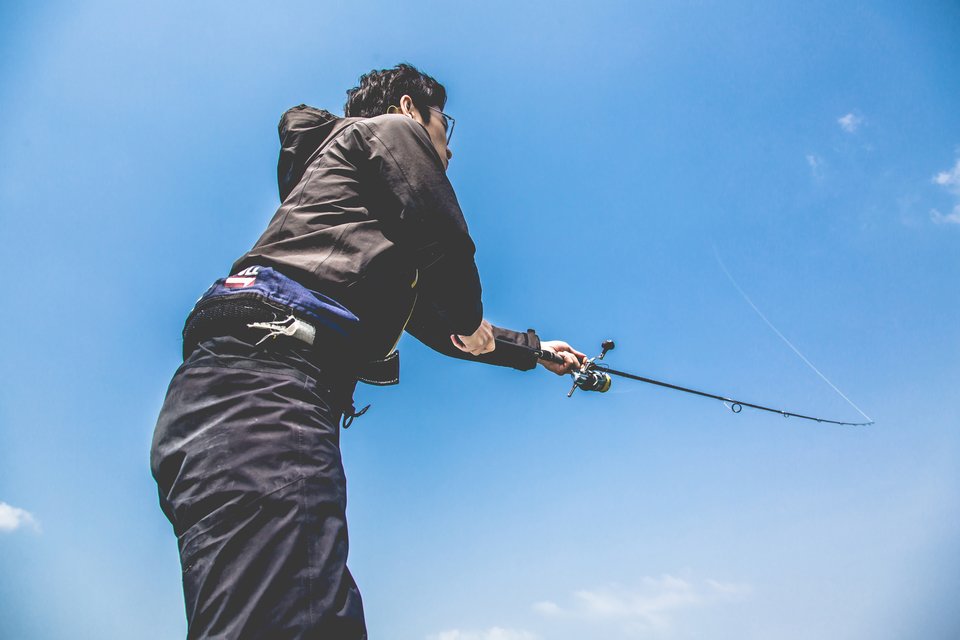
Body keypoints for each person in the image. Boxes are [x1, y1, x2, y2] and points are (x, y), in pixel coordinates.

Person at [151, 63, 586, 640]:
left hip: (229, 395)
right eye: (444, 125)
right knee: (297, 619)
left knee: (261, 614)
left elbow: (438, 324)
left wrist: (531, 350)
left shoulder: (350, 203)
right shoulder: (389, 130)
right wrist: (471, 318)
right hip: (268, 388)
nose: (449, 150)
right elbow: (447, 246)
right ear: (411, 109)